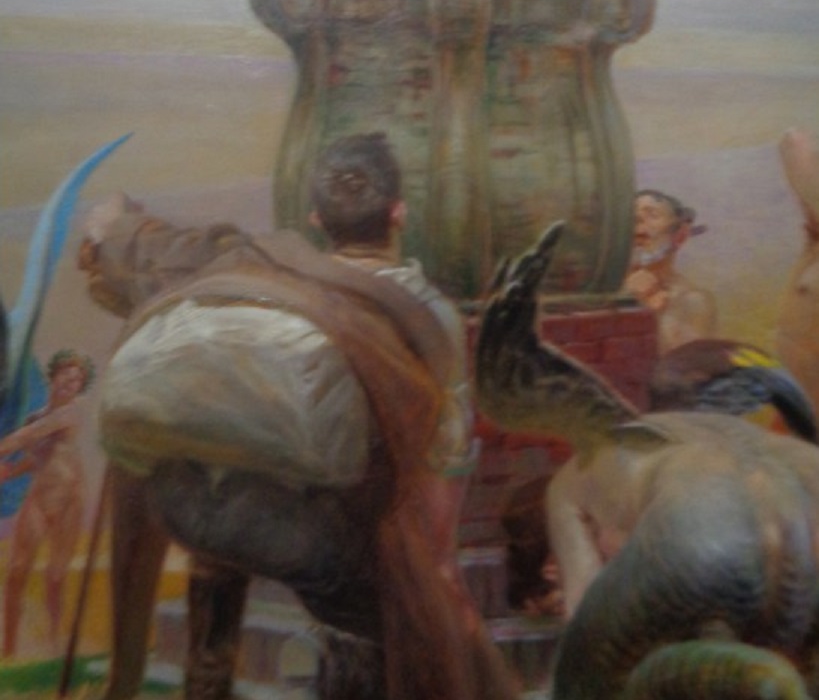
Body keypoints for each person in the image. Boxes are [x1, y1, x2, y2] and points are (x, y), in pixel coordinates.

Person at [79, 133, 516, 700]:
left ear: (316, 218)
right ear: (399, 213)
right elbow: (439, 499)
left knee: (228, 520)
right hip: (295, 533)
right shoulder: (426, 312)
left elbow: (145, 242)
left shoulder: (269, 274)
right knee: (385, 615)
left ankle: (207, 683)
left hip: (182, 506)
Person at [0, 349, 95, 657]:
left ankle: (55, 646)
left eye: (77, 379)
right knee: (16, 571)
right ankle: (9, 648)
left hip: (69, 500)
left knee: (55, 576)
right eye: (66, 375)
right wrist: (10, 471)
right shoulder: (37, 416)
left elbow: (26, 437)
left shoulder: (70, 413)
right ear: (53, 376)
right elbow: (34, 457)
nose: (70, 383)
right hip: (39, 499)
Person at [624, 188, 718, 356]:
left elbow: (682, 366)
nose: (637, 218)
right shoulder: (604, 289)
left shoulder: (691, 300)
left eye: (652, 214)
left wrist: (645, 314)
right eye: (631, 215)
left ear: (680, 236)